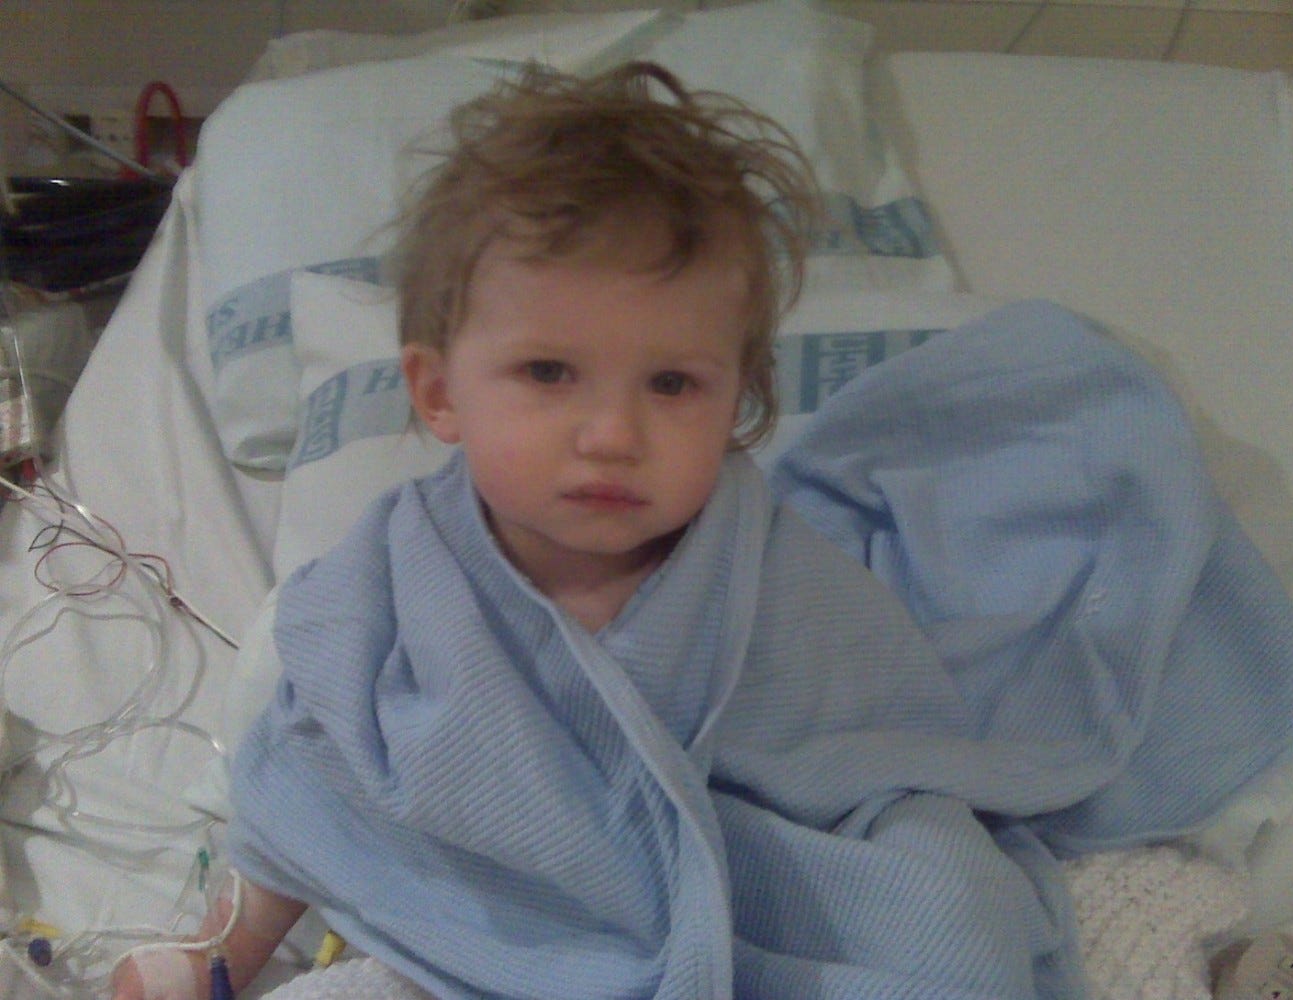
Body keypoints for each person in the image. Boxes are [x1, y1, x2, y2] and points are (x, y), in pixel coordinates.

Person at [112, 59, 818, 1000]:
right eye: (549, 373)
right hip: (449, 940)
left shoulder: (771, 576)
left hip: (703, 935)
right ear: (440, 392)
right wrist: (225, 953)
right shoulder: (403, 572)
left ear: (738, 402)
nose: (613, 435)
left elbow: (862, 779)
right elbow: (318, 772)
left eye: (672, 383)